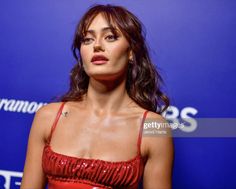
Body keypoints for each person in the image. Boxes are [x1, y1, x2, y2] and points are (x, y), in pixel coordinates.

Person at [20, 4, 174, 189]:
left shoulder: (153, 128)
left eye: (110, 37)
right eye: (87, 39)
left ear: (132, 51)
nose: (97, 45)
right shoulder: (48, 117)